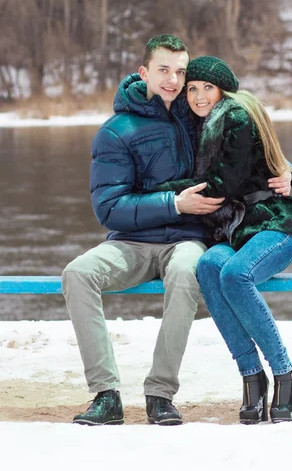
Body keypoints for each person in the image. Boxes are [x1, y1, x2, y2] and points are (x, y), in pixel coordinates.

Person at [61, 35, 226, 426]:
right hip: (131, 244)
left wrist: (287, 172)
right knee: (77, 273)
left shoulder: (202, 114)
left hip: (187, 240)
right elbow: (109, 209)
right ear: (144, 73)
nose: (173, 80)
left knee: (187, 273)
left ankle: (160, 394)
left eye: (180, 71)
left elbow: (256, 146)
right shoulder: (116, 131)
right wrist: (174, 204)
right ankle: (105, 396)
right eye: (163, 69)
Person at [150, 55, 292, 424]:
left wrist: (157, 192)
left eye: (208, 88)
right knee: (209, 266)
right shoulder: (199, 123)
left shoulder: (234, 117)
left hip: (272, 226)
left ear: (223, 90)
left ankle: (284, 375)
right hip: (232, 230)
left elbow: (223, 186)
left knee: (236, 274)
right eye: (192, 88)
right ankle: (251, 377)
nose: (199, 96)